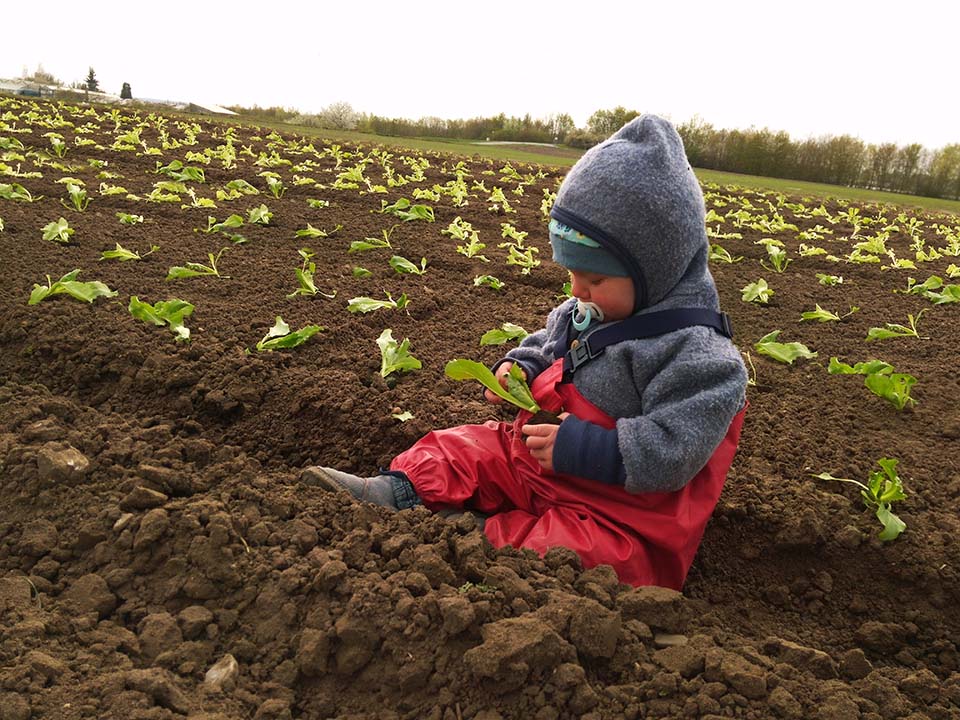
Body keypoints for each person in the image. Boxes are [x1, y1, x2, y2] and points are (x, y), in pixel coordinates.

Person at [302, 115, 748, 590]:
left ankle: (470, 541)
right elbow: (548, 340)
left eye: (595, 279)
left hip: (619, 512)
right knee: (464, 447)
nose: (578, 290)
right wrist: (522, 364)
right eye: (573, 273)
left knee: (578, 559)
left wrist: (584, 448)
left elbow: (676, 450)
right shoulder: (588, 309)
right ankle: (396, 493)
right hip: (534, 462)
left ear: (656, 271)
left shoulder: (703, 361)